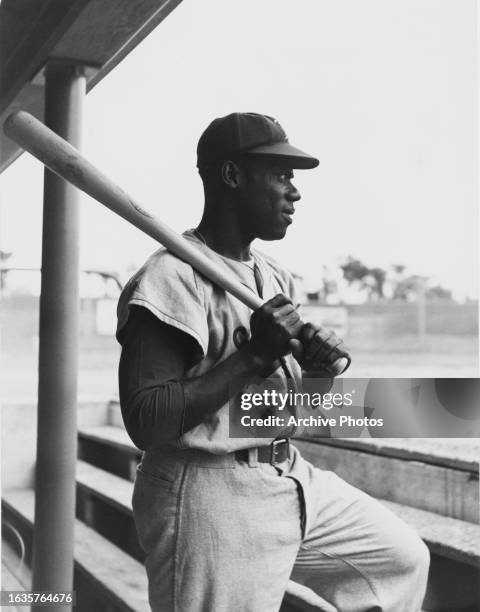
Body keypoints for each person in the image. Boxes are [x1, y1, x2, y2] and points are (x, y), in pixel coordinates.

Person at [116, 112, 429, 612]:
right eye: (281, 176)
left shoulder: (272, 274)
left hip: (287, 474)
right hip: (208, 489)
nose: (294, 192)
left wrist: (320, 371)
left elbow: (280, 408)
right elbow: (145, 421)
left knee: (398, 559)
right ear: (233, 176)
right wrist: (257, 354)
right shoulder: (169, 278)